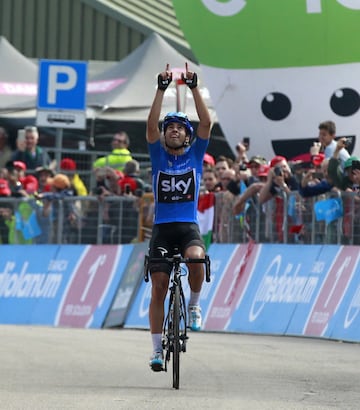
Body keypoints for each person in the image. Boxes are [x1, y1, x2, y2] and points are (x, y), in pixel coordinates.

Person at [146, 63, 212, 371]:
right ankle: (157, 350)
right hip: (161, 229)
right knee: (159, 285)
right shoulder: (157, 155)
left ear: (186, 135)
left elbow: (207, 124)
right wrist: (161, 89)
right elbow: (149, 126)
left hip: (187, 227)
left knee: (197, 259)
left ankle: (195, 305)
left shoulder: (194, 156)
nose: (174, 129)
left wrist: (195, 87)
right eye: (169, 126)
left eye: (180, 127)